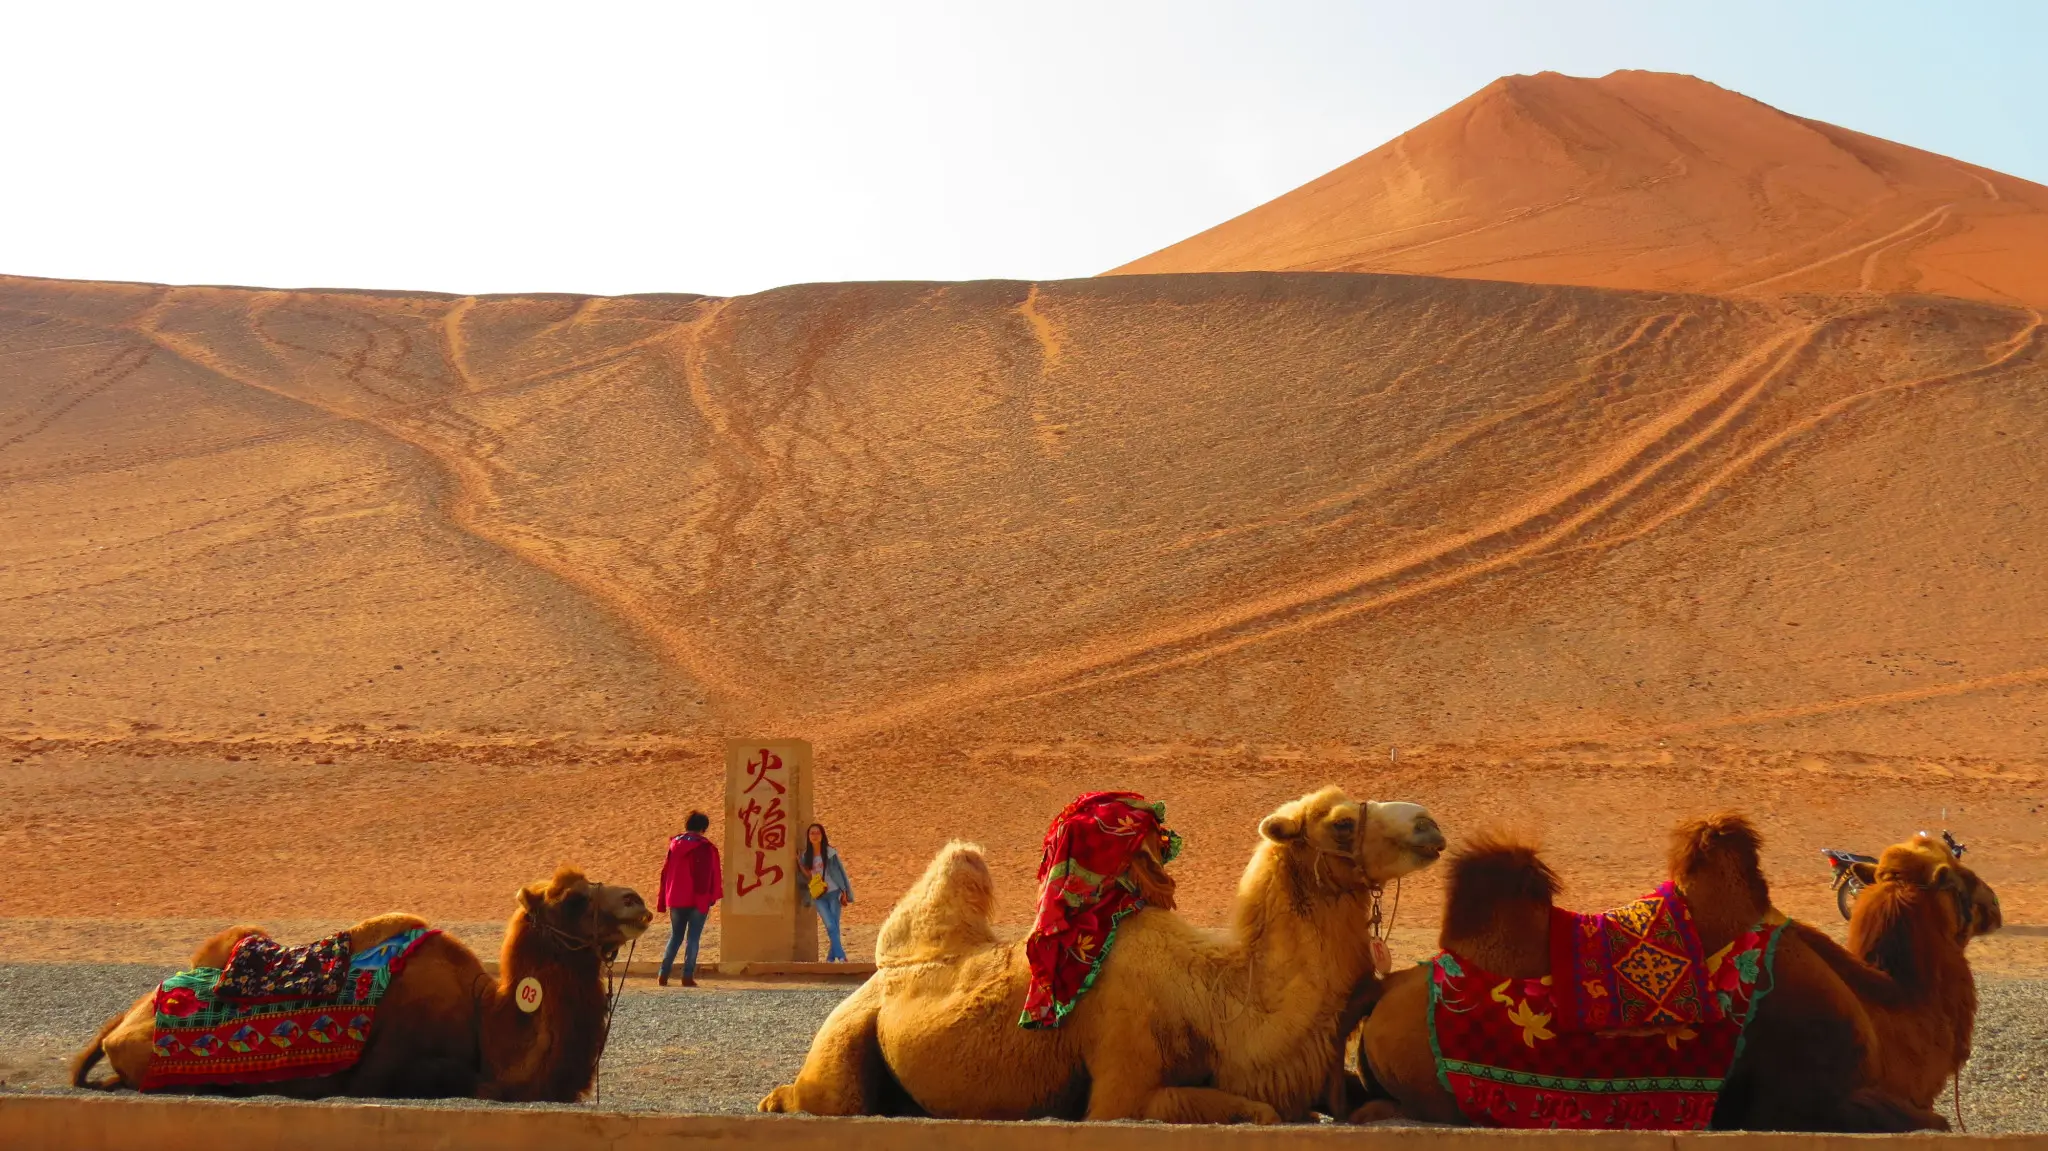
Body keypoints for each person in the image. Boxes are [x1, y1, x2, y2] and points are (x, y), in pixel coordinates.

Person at [655, 811, 722, 987]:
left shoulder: (674, 845)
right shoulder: (706, 847)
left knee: (675, 936)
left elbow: (665, 873)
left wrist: (664, 896)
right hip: (698, 898)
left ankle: (663, 974)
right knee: (693, 938)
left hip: (676, 897)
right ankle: (687, 976)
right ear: (703, 828)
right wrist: (712, 895)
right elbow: (713, 873)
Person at [798, 822, 853, 962]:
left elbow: (840, 871)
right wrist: (799, 862)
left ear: (822, 836)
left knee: (834, 925)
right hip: (819, 895)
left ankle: (830, 958)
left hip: (835, 893)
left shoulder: (830, 852)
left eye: (817, 833)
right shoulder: (806, 855)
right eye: (812, 833)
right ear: (808, 837)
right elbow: (809, 875)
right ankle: (841, 956)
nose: (815, 836)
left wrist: (845, 891)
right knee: (830, 925)